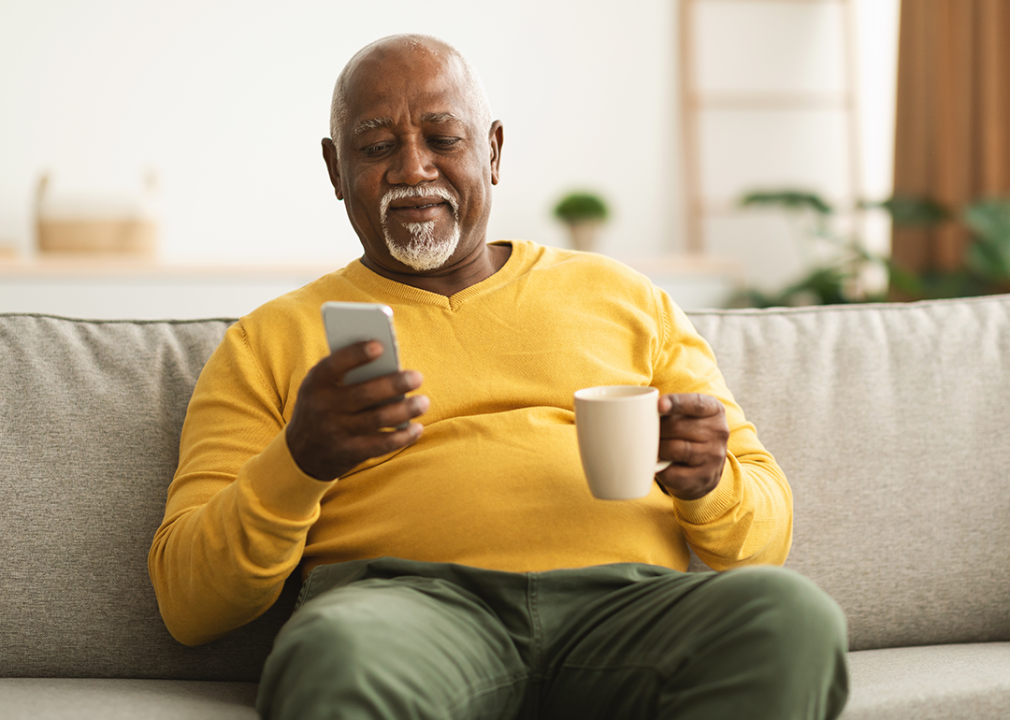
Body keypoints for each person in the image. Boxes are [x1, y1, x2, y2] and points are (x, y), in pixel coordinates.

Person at [149, 33, 849, 720]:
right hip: (405, 619)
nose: (413, 168)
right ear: (335, 170)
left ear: (493, 151)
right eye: (377, 147)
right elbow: (189, 605)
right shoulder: (268, 340)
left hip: (626, 610)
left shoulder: (627, 298)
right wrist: (299, 461)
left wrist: (710, 479)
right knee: (332, 654)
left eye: (443, 139)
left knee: (790, 618)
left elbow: (765, 537)